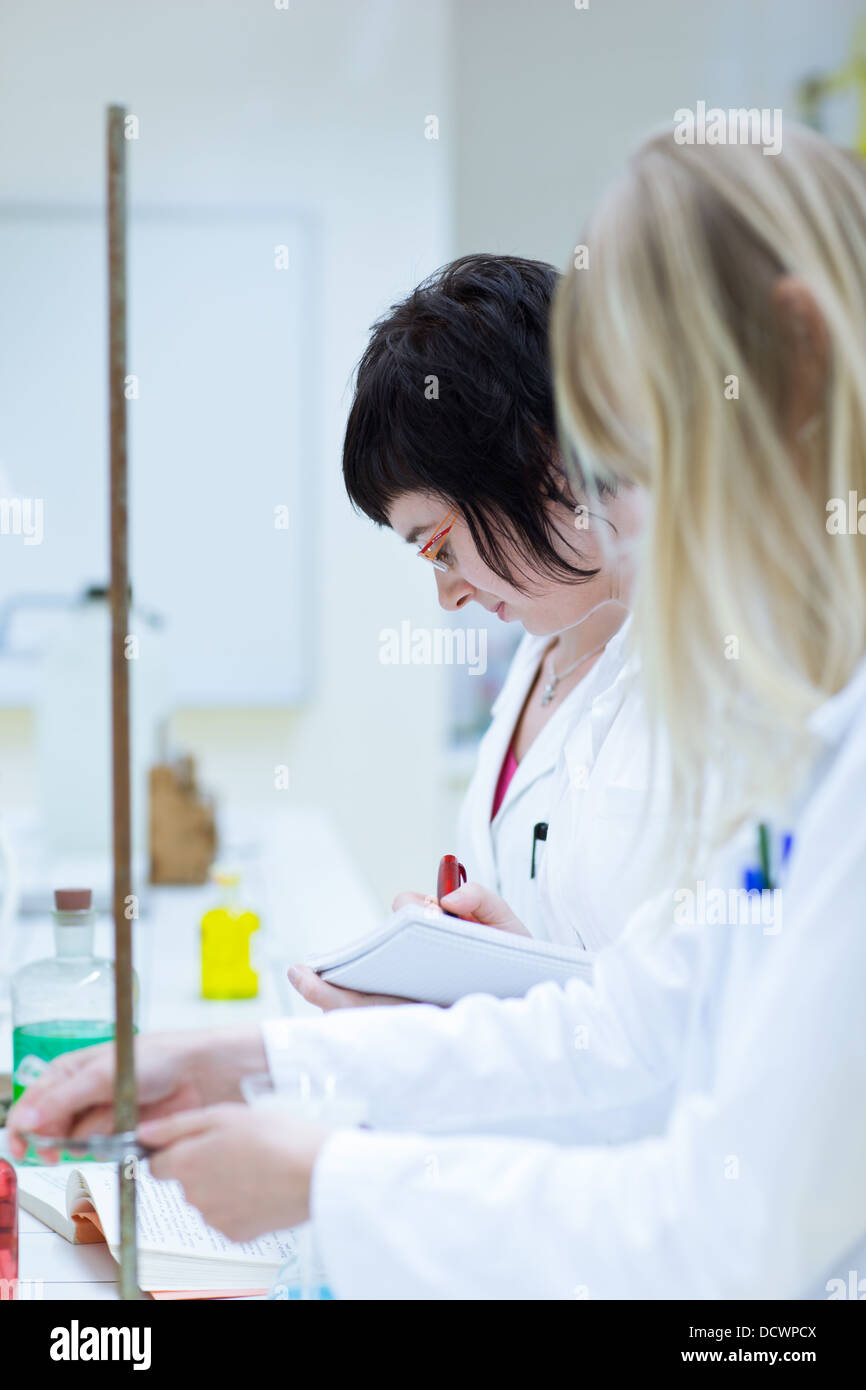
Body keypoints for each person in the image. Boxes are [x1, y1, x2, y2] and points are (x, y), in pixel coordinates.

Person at [10, 123, 866, 1299]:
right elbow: (632, 1019)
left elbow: (730, 1228)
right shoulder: (810, 731)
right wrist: (246, 1059)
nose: (609, 521)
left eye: (630, 461)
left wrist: (329, 1179)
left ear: (796, 363)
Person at [292, 254, 657, 1014]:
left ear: (537, 457)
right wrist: (461, 992)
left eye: (440, 546)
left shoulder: (717, 680)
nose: (448, 594)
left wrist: (494, 1010)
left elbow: (700, 1034)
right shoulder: (539, 656)